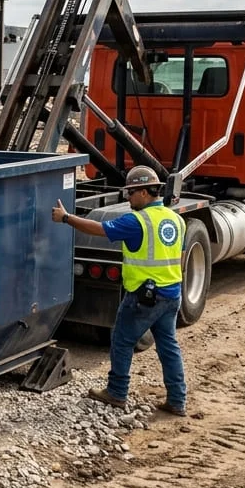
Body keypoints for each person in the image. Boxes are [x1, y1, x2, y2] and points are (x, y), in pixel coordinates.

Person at [51, 165, 189, 416]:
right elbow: (179, 258)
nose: (128, 198)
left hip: (144, 296)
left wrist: (66, 218)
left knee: (122, 340)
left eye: (132, 193)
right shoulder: (177, 220)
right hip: (171, 294)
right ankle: (177, 400)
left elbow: (100, 230)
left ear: (146, 192)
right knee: (168, 346)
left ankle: (116, 392)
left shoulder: (137, 221)